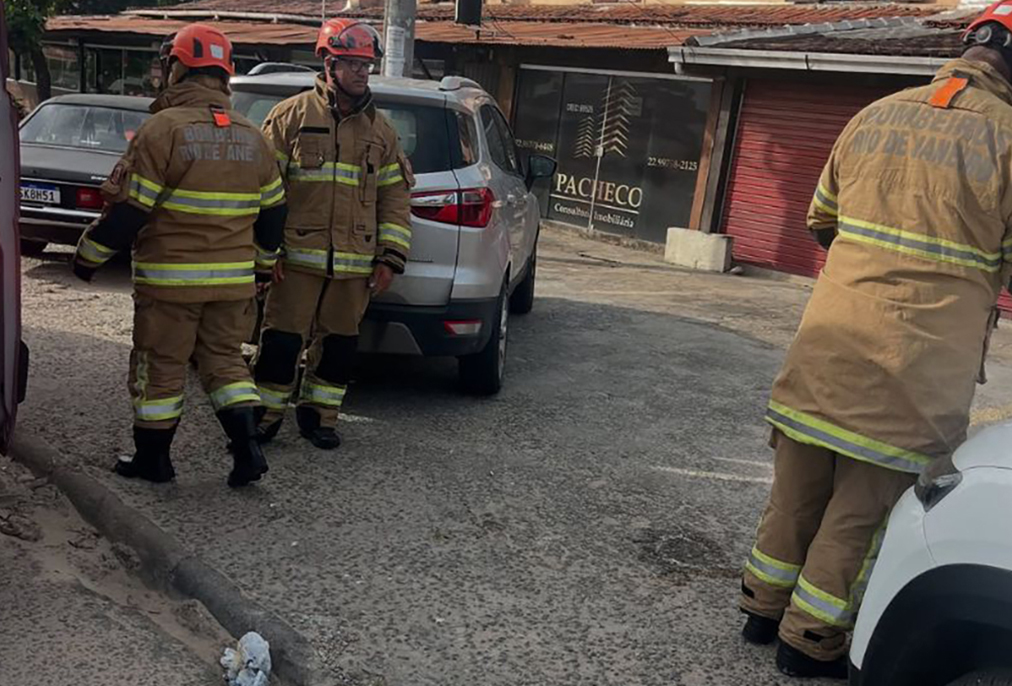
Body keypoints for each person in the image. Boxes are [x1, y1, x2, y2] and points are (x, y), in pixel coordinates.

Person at [738, 1, 1012, 678]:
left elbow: (820, 220)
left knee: (795, 496)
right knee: (861, 518)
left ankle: (760, 609)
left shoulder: (875, 114)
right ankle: (810, 645)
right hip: (912, 370)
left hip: (824, 347)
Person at [72, 24, 287, 488]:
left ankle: (154, 461)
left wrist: (87, 256)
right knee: (226, 364)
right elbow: (275, 213)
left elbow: (130, 210)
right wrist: (263, 268)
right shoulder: (254, 136)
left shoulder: (161, 130)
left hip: (171, 283)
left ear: (177, 68)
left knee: (161, 366)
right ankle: (247, 451)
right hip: (233, 284)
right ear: (225, 75)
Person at [252, 18, 413, 450]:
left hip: (354, 265)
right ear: (329, 63)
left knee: (340, 346)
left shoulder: (382, 132)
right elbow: (263, 191)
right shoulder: (291, 117)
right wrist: (268, 252)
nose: (363, 72)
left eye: (367, 64)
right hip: (295, 260)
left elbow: (395, 198)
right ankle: (264, 416)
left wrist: (389, 257)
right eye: (353, 63)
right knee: (282, 342)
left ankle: (319, 416)